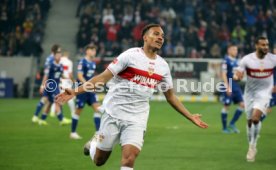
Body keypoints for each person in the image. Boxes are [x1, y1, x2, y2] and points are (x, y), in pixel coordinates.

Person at [56, 24, 208, 169]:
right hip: (113, 113)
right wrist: (75, 91)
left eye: (162, 35)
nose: (161, 38)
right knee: (99, 160)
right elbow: (102, 78)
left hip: (137, 118)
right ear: (145, 37)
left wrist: (190, 116)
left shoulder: (163, 67)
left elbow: (170, 97)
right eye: (156, 34)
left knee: (129, 157)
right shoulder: (129, 56)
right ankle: (94, 143)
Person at [234, 36, 276, 162]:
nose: (266, 47)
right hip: (250, 93)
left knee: (255, 118)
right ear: (256, 46)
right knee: (249, 121)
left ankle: (253, 146)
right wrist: (237, 78)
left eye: (267, 45)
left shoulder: (273, 59)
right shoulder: (247, 59)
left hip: (264, 93)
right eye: (263, 45)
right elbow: (236, 75)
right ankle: (251, 144)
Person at [70, 45, 101, 139]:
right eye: (92, 50)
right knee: (78, 111)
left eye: (95, 50)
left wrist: (93, 85)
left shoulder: (93, 63)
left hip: (90, 90)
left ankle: (98, 133)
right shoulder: (82, 62)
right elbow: (79, 76)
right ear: (87, 51)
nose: (94, 52)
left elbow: (91, 77)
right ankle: (73, 133)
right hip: (82, 90)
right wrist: (87, 85)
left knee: (98, 109)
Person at [37, 46, 71, 125]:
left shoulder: (60, 65)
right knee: (57, 101)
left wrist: (67, 78)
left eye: (60, 55)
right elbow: (45, 76)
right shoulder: (50, 65)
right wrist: (42, 86)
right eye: (57, 55)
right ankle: (61, 119)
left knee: (49, 103)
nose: (59, 57)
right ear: (54, 56)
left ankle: (42, 120)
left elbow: (60, 75)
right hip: (51, 86)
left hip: (56, 86)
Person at [220, 44, 244, 133]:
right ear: (229, 50)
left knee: (242, 104)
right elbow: (223, 74)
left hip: (235, 85)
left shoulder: (237, 62)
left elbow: (236, 75)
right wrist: (227, 86)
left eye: (236, 50)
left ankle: (232, 123)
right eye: (234, 49)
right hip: (228, 84)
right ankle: (224, 128)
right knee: (227, 106)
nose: (236, 51)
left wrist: (239, 77)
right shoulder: (226, 61)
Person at [32, 44, 59, 123]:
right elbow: (46, 72)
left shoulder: (51, 59)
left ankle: (41, 118)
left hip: (51, 82)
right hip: (49, 82)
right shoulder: (51, 59)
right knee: (45, 99)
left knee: (49, 101)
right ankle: (36, 116)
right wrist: (43, 84)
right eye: (59, 50)